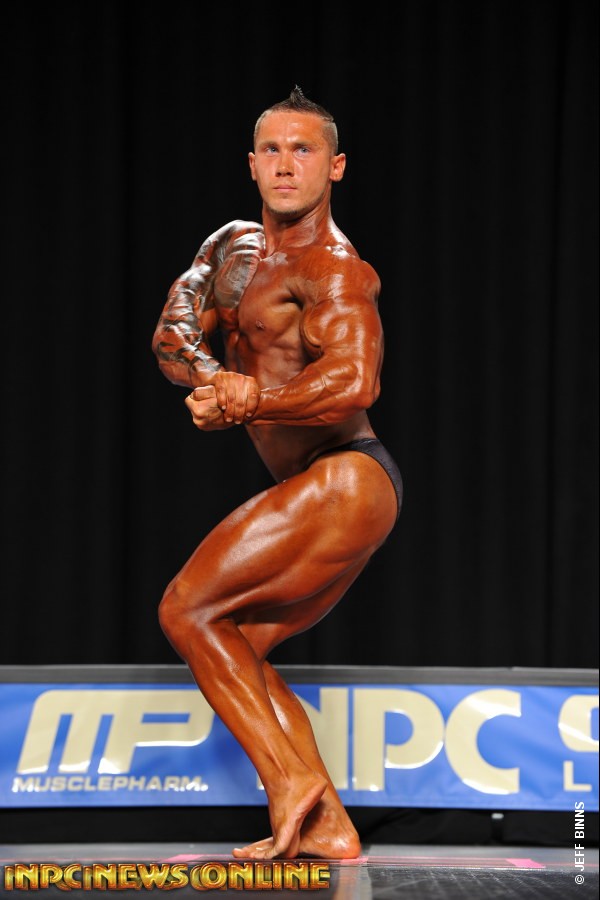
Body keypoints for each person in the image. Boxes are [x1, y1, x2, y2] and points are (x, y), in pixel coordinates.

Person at [152, 87, 402, 860]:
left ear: (336, 166)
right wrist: (213, 381)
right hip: (324, 488)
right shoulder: (233, 249)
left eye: (303, 150)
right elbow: (173, 335)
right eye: (272, 149)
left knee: (186, 610)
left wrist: (252, 398)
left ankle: (290, 783)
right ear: (252, 164)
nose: (286, 164)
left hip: (347, 478)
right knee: (232, 643)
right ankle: (329, 828)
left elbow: (356, 380)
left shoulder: (336, 270)